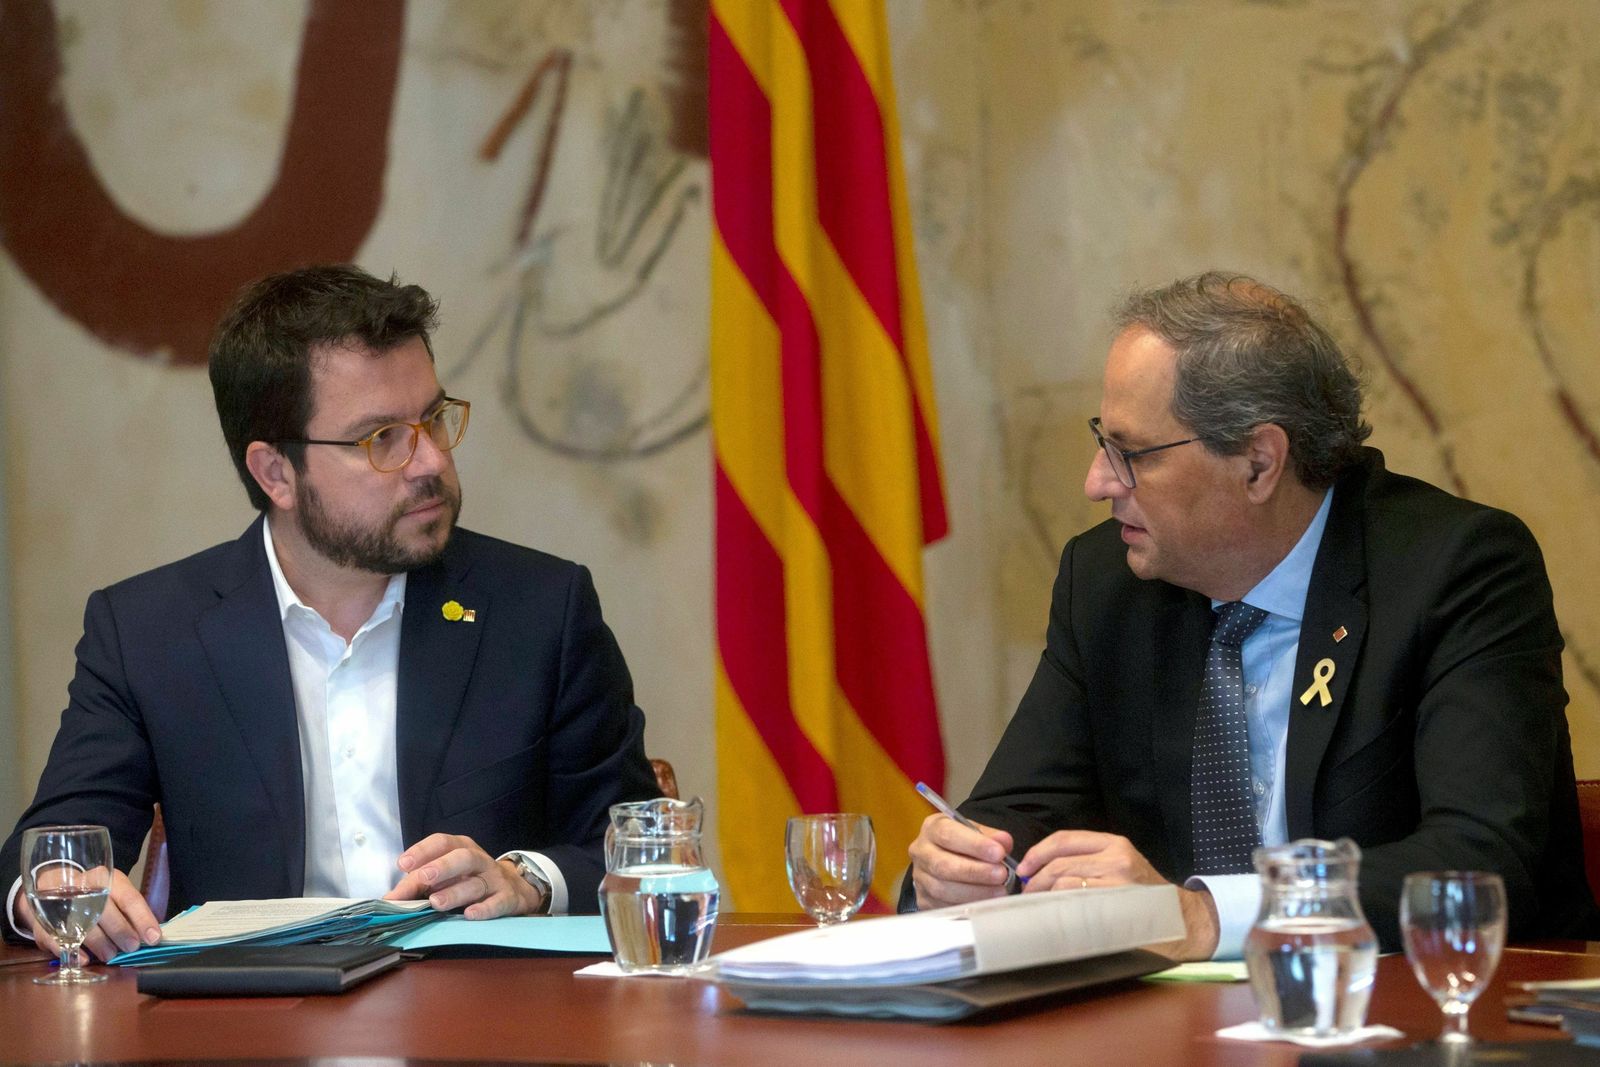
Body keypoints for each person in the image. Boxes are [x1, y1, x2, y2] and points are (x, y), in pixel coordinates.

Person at [906, 271, 1597, 958]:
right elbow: (1015, 815)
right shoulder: (1106, 583)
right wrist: (956, 875)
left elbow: (1477, 865)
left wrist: (1205, 915)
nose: (1097, 482)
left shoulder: (1456, 569)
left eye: (1132, 453)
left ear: (1260, 463)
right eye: (1102, 440)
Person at [2, 265, 658, 959]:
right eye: (382, 439)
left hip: (478, 1017)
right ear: (275, 472)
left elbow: (639, 853)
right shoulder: (148, 633)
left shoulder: (539, 610)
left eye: (433, 419)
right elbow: (49, 848)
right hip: (247, 1027)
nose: (430, 460)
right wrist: (54, 889)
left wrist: (527, 879)